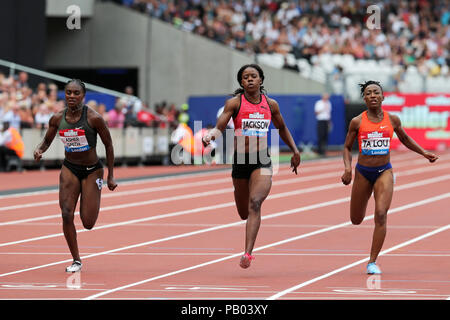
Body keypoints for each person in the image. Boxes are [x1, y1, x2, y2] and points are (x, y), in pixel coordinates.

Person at [203, 64, 301, 269]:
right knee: (243, 213)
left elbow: (281, 127)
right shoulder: (234, 103)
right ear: (241, 82)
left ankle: (248, 253)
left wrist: (295, 150)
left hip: (262, 160)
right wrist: (210, 136)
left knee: (255, 202)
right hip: (240, 161)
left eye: (253, 76)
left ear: (261, 80)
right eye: (245, 77)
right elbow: (220, 126)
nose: (249, 80)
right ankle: (246, 212)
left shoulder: (271, 104)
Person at [341, 80, 438, 275]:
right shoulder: (357, 122)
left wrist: (424, 152)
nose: (373, 95)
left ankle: (372, 262)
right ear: (364, 98)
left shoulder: (392, 119)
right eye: (368, 93)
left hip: (384, 171)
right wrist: (348, 169)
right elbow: (346, 147)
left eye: (376, 92)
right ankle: (371, 256)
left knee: (381, 214)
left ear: (383, 97)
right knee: (356, 219)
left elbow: (404, 138)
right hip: (362, 172)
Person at [33, 79, 118, 273]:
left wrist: (111, 176)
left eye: (76, 93)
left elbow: (109, 145)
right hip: (70, 168)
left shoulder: (94, 118)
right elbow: (46, 140)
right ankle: (76, 260)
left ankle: (91, 196)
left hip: (92, 170)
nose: (71, 96)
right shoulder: (57, 118)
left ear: (83, 96)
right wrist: (39, 150)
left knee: (88, 223)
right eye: (68, 92)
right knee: (66, 213)